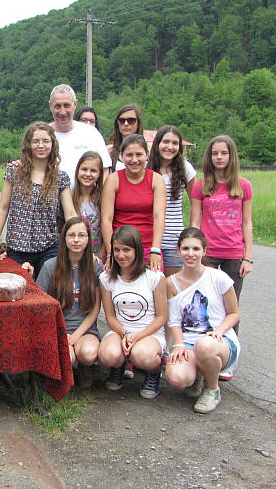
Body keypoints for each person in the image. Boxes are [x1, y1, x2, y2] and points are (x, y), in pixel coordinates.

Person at [164, 227, 241, 414]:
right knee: (176, 377)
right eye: (186, 249)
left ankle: (212, 389)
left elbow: (234, 313)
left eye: (196, 249)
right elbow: (174, 320)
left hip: (218, 342)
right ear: (178, 250)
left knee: (205, 346)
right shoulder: (171, 283)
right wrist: (179, 344)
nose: (190, 254)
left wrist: (219, 332)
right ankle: (198, 373)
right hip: (190, 342)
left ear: (204, 251)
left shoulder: (219, 278)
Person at [190, 134, 252, 347]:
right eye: (215, 153)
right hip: (208, 252)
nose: (219, 157)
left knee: (231, 304)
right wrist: (193, 251)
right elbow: (195, 221)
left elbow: (247, 222)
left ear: (231, 156)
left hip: (233, 253)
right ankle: (202, 345)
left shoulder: (243, 186)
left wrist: (248, 257)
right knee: (204, 301)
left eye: (224, 153)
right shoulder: (201, 186)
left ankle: (229, 348)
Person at [0, 121, 77, 280]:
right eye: (35, 141)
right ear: (28, 144)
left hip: (48, 248)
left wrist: (79, 239)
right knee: (19, 290)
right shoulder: (14, 172)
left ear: (52, 144)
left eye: (45, 141)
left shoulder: (60, 178)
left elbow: (70, 213)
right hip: (17, 248)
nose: (41, 145)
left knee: (46, 291)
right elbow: (3, 207)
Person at [98, 225, 167, 396]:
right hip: (121, 331)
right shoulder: (106, 278)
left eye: (126, 250)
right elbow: (110, 317)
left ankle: (153, 371)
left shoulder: (154, 277)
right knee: (107, 355)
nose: (121, 255)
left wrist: (138, 336)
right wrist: (125, 334)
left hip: (149, 333)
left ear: (137, 250)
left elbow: (161, 317)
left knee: (141, 355)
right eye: (116, 250)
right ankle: (118, 366)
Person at [36, 217, 103, 388]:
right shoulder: (50, 266)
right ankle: (67, 368)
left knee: (88, 353)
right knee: (69, 357)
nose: (76, 240)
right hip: (57, 328)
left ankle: (84, 367)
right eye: (71, 235)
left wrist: (76, 336)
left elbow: (95, 309)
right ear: (64, 238)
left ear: (88, 239)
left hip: (85, 329)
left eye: (81, 235)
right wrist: (61, 333)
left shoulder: (96, 267)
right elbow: (42, 308)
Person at [101, 133, 166, 273]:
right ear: (121, 156)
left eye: (139, 154)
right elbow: (106, 219)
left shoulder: (156, 180)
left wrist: (155, 250)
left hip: (148, 246)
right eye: (129, 155)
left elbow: (159, 217)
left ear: (147, 155)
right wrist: (111, 252)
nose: (134, 160)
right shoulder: (113, 180)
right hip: (120, 249)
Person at [146, 125, 196, 276]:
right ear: (157, 143)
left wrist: (192, 232)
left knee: (171, 284)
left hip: (174, 239)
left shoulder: (186, 168)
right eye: (166, 142)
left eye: (175, 143)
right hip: (149, 238)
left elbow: (195, 203)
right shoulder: (146, 166)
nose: (170, 147)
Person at [48, 84, 112, 185]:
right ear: (50, 106)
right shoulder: (43, 136)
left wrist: (98, 193)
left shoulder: (91, 133)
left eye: (67, 105)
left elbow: (105, 170)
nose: (62, 111)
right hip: (51, 195)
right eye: (57, 106)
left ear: (75, 104)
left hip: (88, 195)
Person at [71, 151, 104, 257]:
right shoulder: (68, 195)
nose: (88, 174)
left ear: (99, 174)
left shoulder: (103, 197)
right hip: (72, 255)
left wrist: (102, 255)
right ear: (77, 170)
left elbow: (107, 226)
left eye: (93, 171)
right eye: (84, 169)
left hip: (96, 255)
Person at [108, 103, 144, 172]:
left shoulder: (148, 151)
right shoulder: (109, 152)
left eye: (131, 120)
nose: (126, 124)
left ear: (138, 123)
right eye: (122, 121)